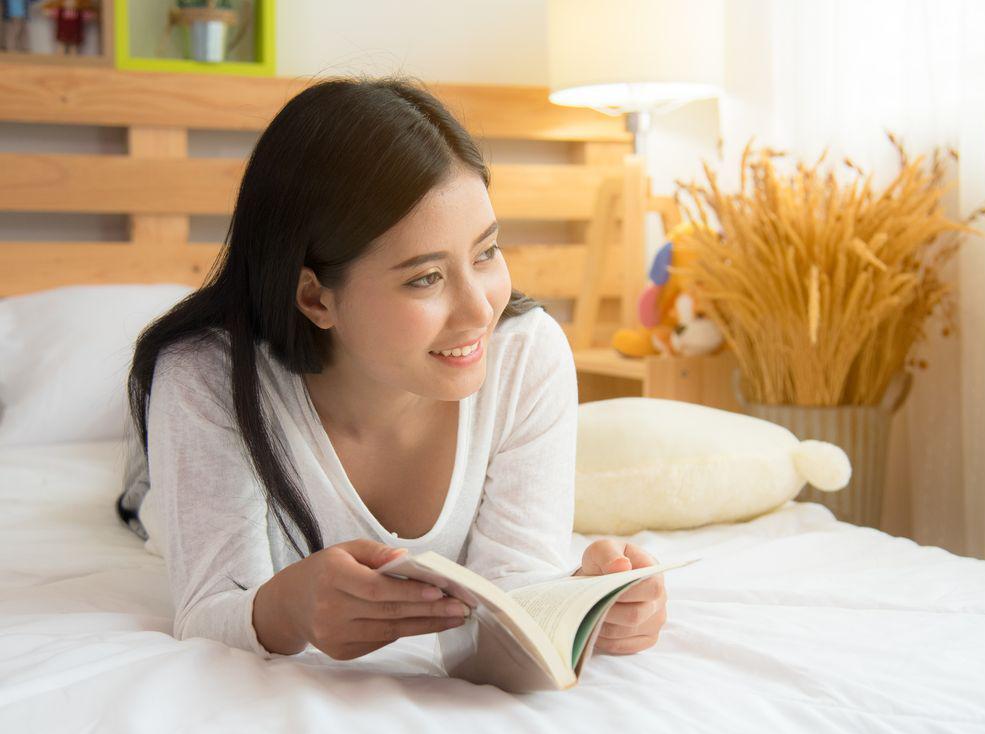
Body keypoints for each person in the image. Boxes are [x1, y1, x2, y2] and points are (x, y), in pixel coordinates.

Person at [117, 76, 667, 663]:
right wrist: (289, 607)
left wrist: (580, 604)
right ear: (315, 298)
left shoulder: (527, 353)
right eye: (425, 278)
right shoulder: (205, 379)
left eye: (486, 252)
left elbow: (517, 579)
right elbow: (207, 609)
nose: (481, 309)